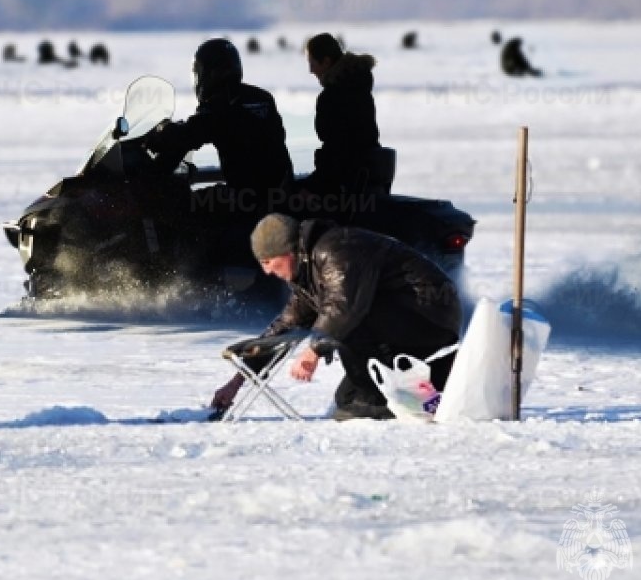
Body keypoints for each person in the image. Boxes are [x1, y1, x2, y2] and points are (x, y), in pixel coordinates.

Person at [211, 213, 461, 420]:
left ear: (287, 252)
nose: (266, 271)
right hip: (400, 321)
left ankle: (398, 397)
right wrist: (237, 381)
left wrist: (314, 351)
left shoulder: (337, 250)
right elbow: (285, 327)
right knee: (348, 401)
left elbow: (344, 307)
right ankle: (427, 387)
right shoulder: (308, 273)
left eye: (267, 262)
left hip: (430, 315)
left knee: (350, 336)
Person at [144, 37, 293, 219]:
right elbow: (204, 126)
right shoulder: (261, 97)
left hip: (247, 199)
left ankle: (188, 247)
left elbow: (191, 134)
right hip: (279, 193)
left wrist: (160, 134)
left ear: (211, 73)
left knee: (180, 204)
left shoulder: (219, 104)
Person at [300, 33, 382, 199]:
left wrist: (313, 186)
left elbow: (337, 150)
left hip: (342, 181)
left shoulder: (332, 97)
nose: (311, 70)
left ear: (326, 62)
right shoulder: (361, 89)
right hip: (362, 175)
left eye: (313, 63)